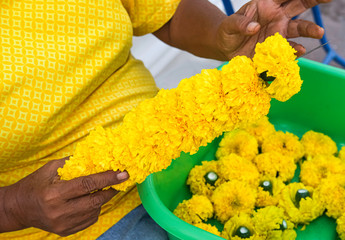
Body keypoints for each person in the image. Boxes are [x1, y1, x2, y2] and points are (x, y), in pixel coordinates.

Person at [0, 0, 329, 239]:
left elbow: (166, 13)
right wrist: (15, 206)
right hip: (81, 218)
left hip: (184, 146)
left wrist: (223, 35)